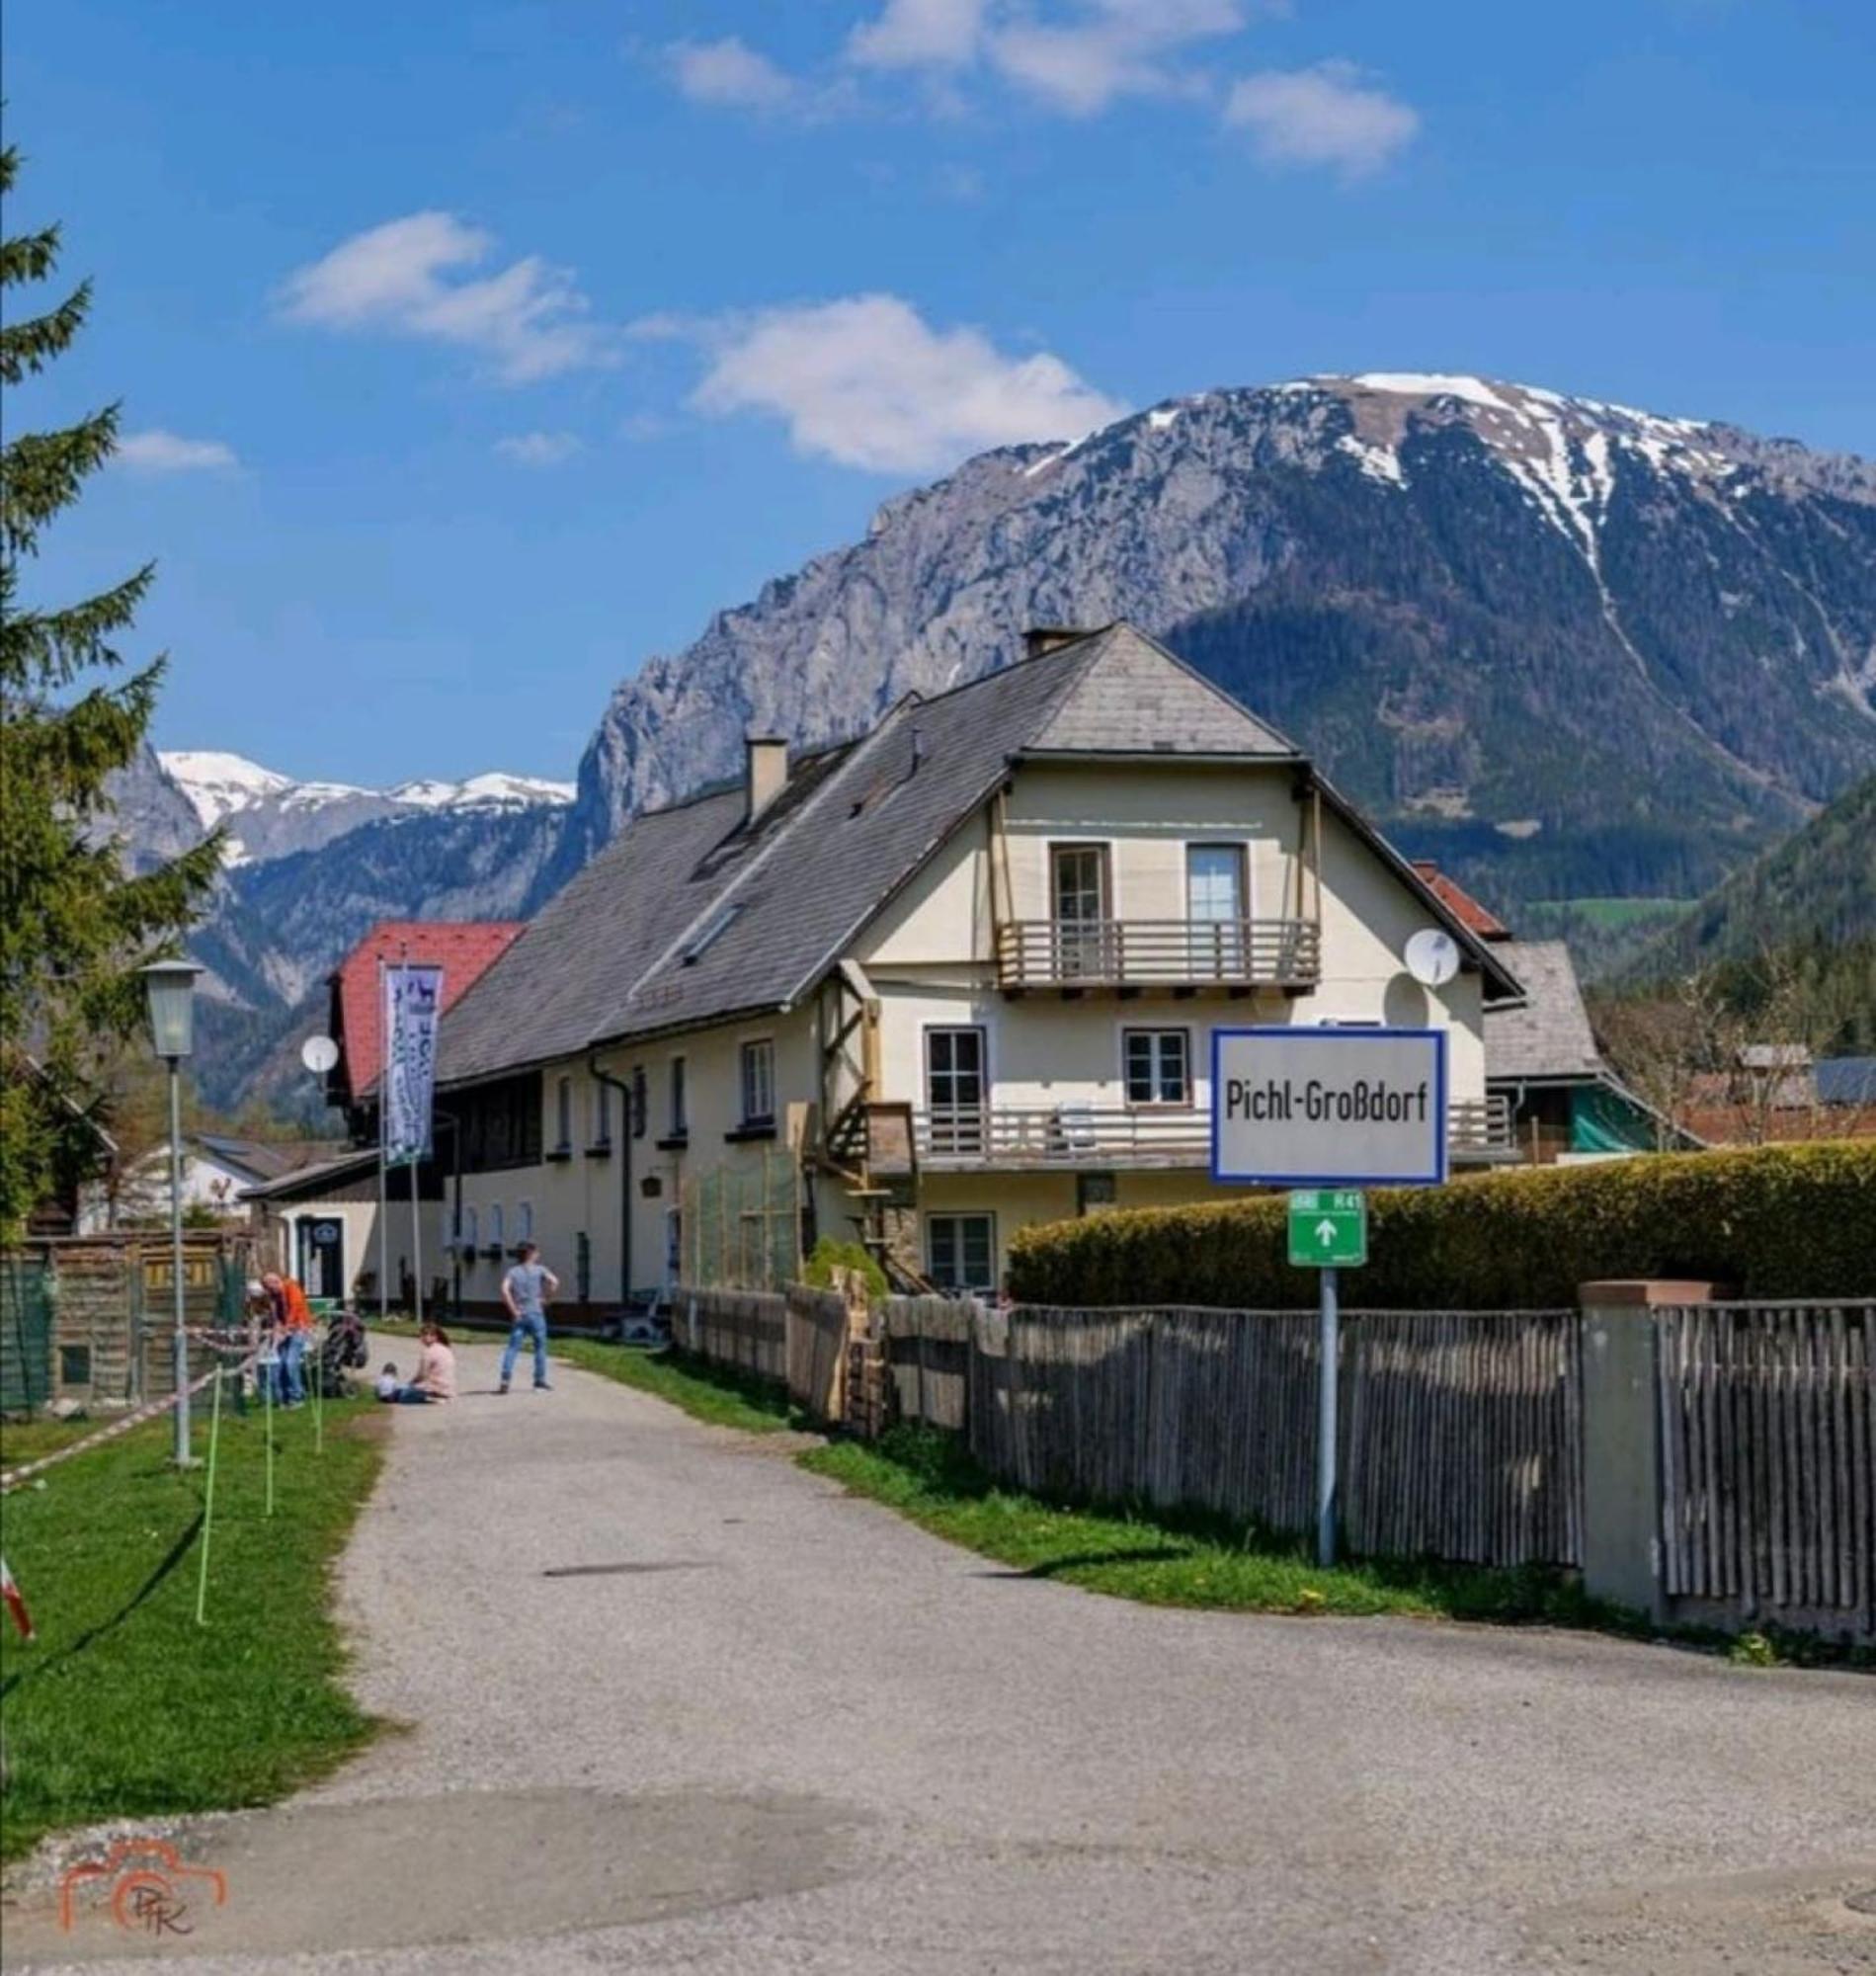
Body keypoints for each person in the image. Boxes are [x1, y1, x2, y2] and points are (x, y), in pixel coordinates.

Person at [498, 1242, 558, 1394]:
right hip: (536, 1313)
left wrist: (513, 1310)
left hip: (520, 1314)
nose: (538, 1254)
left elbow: (505, 1290)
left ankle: (505, 1378)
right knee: (540, 1347)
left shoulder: (513, 1272)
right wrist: (547, 1299)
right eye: (536, 1252)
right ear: (531, 1254)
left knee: (512, 1347)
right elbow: (554, 1282)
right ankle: (539, 1381)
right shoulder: (540, 1270)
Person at [260, 1271, 313, 1407]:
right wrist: (277, 1328)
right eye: (266, 1286)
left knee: (291, 1363)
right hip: (285, 1331)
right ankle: (285, 1397)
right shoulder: (274, 1296)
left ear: (276, 1281)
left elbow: (296, 1307)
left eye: (270, 1285)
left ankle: (297, 1396)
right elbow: (276, 1315)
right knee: (280, 1363)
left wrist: (287, 1326)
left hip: (299, 1329)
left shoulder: (291, 1286)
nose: (269, 1289)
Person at [381, 1326, 457, 1405]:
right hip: (447, 1389)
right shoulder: (446, 1349)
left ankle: (430, 1399)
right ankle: (436, 1398)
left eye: (430, 1335)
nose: (426, 1337)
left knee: (403, 1396)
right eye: (424, 1335)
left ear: (436, 1337)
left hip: (434, 1389)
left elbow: (422, 1375)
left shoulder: (428, 1352)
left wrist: (410, 1384)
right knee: (402, 1391)